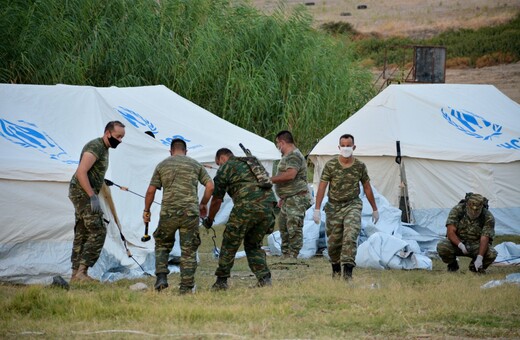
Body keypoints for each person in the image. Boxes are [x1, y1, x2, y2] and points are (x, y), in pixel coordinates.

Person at [143, 138, 214, 293]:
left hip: (168, 212)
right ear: (186, 151)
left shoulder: (162, 165)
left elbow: (150, 191)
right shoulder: (195, 164)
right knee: (188, 250)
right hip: (190, 213)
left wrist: (146, 210)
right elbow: (210, 186)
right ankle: (186, 287)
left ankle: (161, 277)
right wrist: (203, 204)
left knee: (162, 244)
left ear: (171, 151)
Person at [203, 148, 276, 290]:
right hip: (268, 206)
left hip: (246, 206)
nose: (219, 166)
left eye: (218, 163)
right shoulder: (251, 162)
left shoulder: (226, 167)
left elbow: (217, 199)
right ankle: (264, 279)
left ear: (221, 158)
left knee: (230, 243)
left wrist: (210, 219)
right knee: (254, 244)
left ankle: (221, 282)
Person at [313, 134, 379, 280]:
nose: (346, 148)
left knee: (351, 235)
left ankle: (348, 273)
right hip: (334, 207)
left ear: (354, 147)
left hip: (352, 205)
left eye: (348, 145)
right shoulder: (331, 165)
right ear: (339, 147)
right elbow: (322, 187)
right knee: (334, 242)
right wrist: (317, 209)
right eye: (343, 145)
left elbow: (367, 187)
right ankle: (336, 270)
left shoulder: (359, 166)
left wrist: (375, 209)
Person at [68, 120, 126, 282]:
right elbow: (81, 172)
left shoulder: (104, 148)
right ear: (108, 133)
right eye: (118, 136)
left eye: (122, 137)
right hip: (82, 194)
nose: (120, 140)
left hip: (83, 192)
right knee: (98, 230)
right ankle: (82, 271)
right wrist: (92, 196)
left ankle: (75, 273)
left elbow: (92, 171)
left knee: (82, 231)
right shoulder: (95, 147)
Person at [270, 131, 312, 259]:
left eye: (278, 143)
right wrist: (282, 197)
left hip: (297, 198)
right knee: (283, 226)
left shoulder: (294, 156)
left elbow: (290, 175)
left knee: (293, 227)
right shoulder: (287, 156)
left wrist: (269, 179)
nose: (278, 146)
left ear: (282, 142)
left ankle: (293, 255)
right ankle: (285, 253)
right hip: (288, 198)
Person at [436, 193, 497, 273]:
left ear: (481, 207)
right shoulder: (457, 210)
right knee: (442, 246)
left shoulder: (488, 217)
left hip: (476, 245)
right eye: (472, 210)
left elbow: (485, 237)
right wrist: (460, 245)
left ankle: (475, 268)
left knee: (491, 253)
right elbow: (450, 231)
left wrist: (480, 257)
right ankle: (452, 264)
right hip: (458, 243)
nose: (474, 213)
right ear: (467, 205)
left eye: (477, 210)